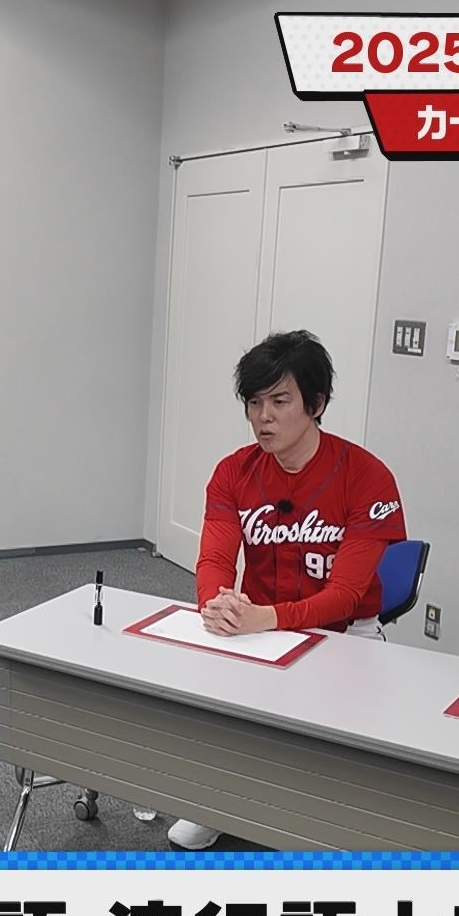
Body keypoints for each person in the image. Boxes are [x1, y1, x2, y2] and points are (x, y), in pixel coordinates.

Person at [169, 330, 408, 851]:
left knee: (339, 754)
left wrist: (267, 618)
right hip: (259, 623)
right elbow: (215, 558)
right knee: (215, 706)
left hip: (344, 632)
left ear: (316, 404)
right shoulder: (233, 472)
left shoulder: (366, 476)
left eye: (280, 401)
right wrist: (217, 602)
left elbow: (346, 595)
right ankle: (217, 800)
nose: (264, 417)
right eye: (254, 403)